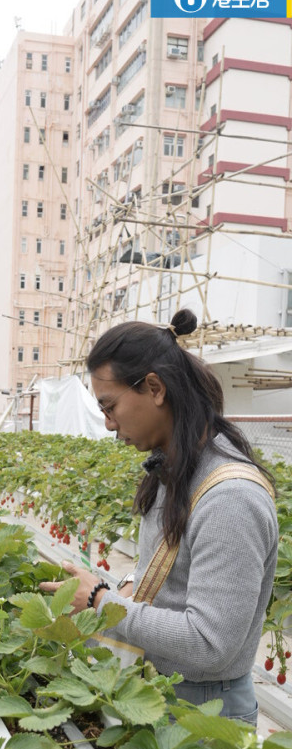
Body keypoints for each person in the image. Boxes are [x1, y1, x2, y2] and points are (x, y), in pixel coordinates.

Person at [41, 309, 278, 725]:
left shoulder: (232, 499)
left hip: (206, 713)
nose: (108, 423)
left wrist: (101, 600)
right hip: (161, 690)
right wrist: (128, 586)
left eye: (110, 405)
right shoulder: (172, 469)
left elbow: (210, 643)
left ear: (154, 388)